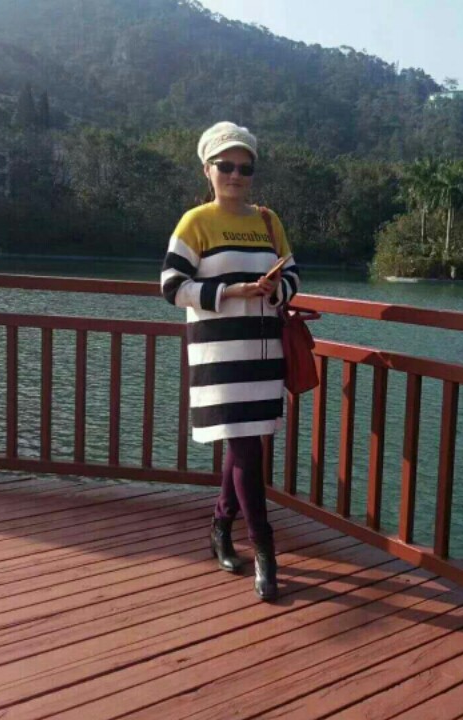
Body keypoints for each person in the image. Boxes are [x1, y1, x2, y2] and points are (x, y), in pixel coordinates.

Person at [160, 121, 299, 601]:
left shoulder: (268, 221)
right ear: (208, 169)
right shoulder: (195, 222)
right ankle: (265, 551)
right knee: (245, 448)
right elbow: (171, 287)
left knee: (243, 445)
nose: (236, 175)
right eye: (226, 166)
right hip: (219, 356)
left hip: (262, 352)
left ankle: (220, 525)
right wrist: (231, 291)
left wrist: (275, 288)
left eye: (245, 168)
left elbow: (294, 275)